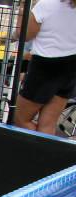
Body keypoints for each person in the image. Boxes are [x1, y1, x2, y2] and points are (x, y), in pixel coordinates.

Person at [14, 0, 76, 134]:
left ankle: (35, 146)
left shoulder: (46, 4)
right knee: (47, 124)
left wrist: (23, 8)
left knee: (19, 118)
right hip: (71, 66)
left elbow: (24, 35)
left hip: (44, 66)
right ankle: (44, 147)